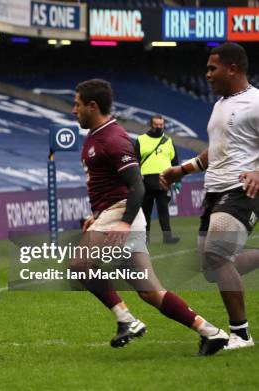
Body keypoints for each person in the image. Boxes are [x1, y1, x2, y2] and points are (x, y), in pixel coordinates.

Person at [71, 78, 228, 356]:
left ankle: (126, 320)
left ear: (92, 106)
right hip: (113, 212)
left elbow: (136, 186)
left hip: (122, 212)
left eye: (77, 104)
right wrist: (95, 217)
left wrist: (122, 221)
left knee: (80, 264)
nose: (74, 110)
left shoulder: (113, 138)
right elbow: (110, 185)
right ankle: (211, 332)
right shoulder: (97, 135)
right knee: (150, 292)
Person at [161, 43, 259, 350]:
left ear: (233, 69)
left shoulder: (255, 103)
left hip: (242, 189)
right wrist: (184, 169)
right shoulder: (220, 105)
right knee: (211, 268)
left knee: (217, 255)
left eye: (212, 68)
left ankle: (240, 334)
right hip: (215, 190)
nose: (206, 75)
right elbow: (217, 151)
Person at [134, 115, 180, 244]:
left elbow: (175, 162)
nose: (159, 127)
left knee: (163, 211)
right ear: (151, 124)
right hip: (145, 182)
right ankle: (145, 238)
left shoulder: (168, 140)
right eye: (157, 124)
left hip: (163, 181)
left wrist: (178, 181)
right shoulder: (141, 140)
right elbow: (135, 161)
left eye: (161, 125)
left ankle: (167, 237)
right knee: (145, 212)